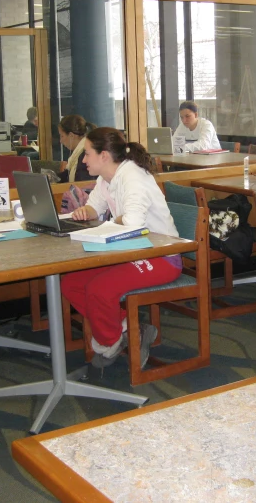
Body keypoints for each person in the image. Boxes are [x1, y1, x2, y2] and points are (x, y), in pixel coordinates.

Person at [61, 127, 181, 369]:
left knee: (99, 289)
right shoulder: (106, 179)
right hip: (129, 251)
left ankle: (109, 342)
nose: (83, 160)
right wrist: (87, 211)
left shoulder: (132, 177)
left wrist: (111, 221)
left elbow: (132, 224)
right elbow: (95, 207)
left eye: (86, 154)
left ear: (104, 155)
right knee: (71, 283)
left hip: (160, 255)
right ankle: (129, 329)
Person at [57, 114, 98, 183]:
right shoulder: (77, 153)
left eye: (62, 136)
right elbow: (67, 175)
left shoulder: (84, 155)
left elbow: (82, 185)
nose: (60, 141)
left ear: (71, 136)